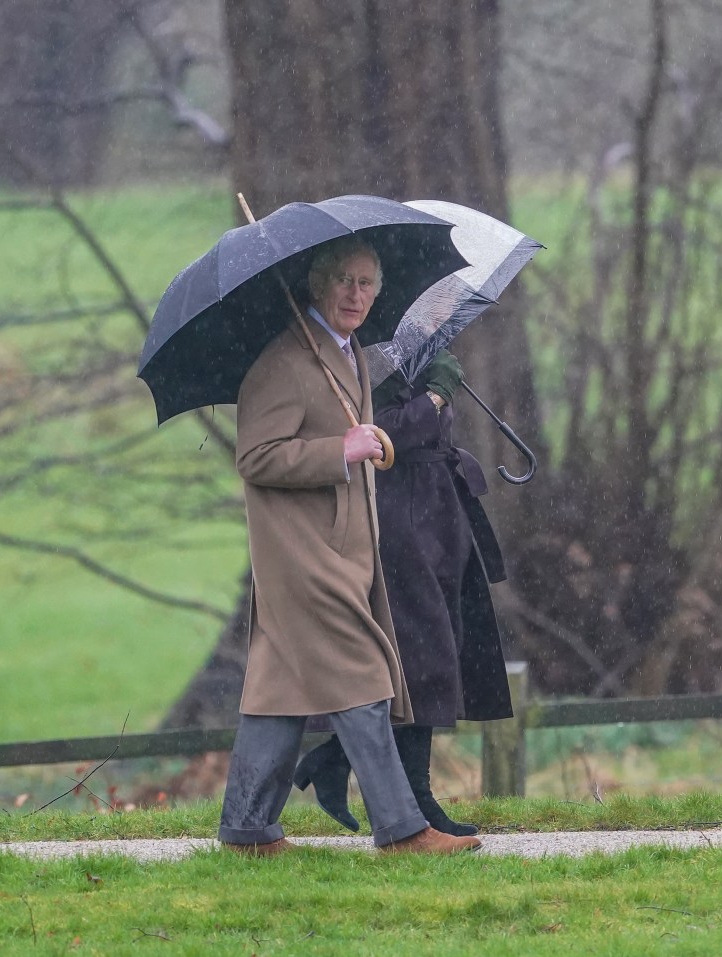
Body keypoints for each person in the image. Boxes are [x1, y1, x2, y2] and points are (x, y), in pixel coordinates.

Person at [218, 236, 482, 856]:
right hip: (304, 556)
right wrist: (342, 450)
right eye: (343, 281)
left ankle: (248, 833)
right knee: (364, 673)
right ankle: (403, 830)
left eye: (366, 284)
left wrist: (378, 437)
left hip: (342, 551)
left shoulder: (348, 356)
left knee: (278, 692)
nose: (355, 295)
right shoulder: (284, 362)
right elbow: (256, 457)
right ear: (317, 285)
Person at [293, 348, 513, 836]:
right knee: (419, 661)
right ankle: (413, 798)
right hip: (402, 520)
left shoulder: (417, 350)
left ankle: (341, 763)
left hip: (439, 514)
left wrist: (437, 387)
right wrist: (434, 396)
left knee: (436, 658)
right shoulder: (370, 358)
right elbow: (383, 437)